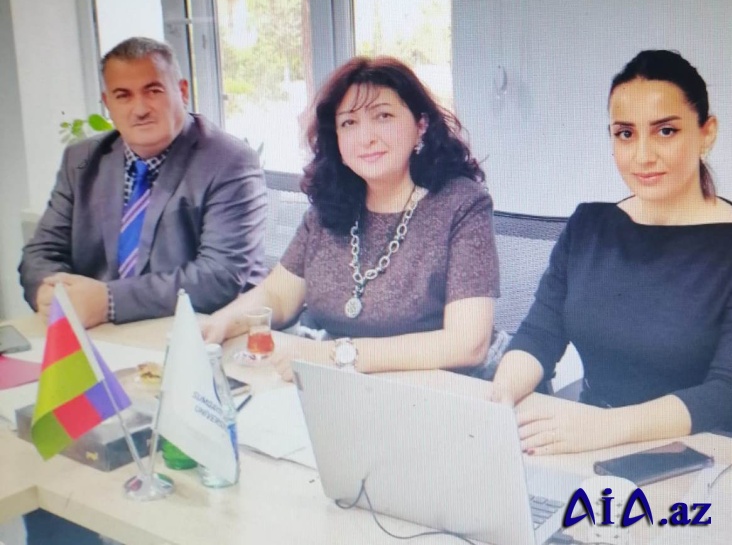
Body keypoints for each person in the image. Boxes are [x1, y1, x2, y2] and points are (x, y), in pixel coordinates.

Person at [491, 50, 732, 455]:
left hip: (700, 455)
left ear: (707, 133)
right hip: (590, 446)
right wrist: (499, 401)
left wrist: (606, 427)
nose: (643, 155)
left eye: (666, 131)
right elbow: (539, 335)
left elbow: (730, 390)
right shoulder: (588, 226)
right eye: (625, 134)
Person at [202, 56, 499, 379]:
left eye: (383, 116)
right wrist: (222, 322)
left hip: (433, 389)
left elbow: (467, 343)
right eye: (349, 123)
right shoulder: (331, 204)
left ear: (421, 126)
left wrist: (334, 356)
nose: (366, 137)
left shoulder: (462, 204)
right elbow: (278, 296)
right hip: (336, 384)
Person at [18, 36, 267, 328]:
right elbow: (41, 253)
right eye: (123, 96)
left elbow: (218, 277)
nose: (140, 109)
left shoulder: (229, 161)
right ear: (108, 103)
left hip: (200, 331)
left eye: (153, 91)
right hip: (99, 332)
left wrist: (109, 301)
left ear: (182, 91)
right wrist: (50, 291)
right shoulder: (81, 160)